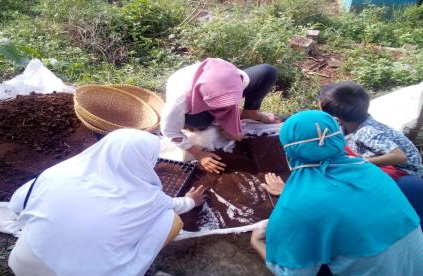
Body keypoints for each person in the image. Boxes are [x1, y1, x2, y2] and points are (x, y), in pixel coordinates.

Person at [7, 129, 206, 276]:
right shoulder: (148, 198)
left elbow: (16, 204)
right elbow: (173, 205)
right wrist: (190, 201)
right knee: (169, 219)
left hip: (24, 265)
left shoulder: (57, 173)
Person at [251, 110, 423, 275]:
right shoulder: (369, 169)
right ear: (339, 139)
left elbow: (293, 273)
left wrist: (257, 242)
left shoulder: (297, 206)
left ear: (288, 154)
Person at [161, 58, 279, 174]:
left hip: (217, 91)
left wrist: (226, 126)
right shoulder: (179, 101)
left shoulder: (236, 78)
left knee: (267, 72)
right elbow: (169, 131)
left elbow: (230, 104)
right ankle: (200, 121)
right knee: (200, 122)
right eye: (219, 105)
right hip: (193, 108)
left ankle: (250, 113)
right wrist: (199, 154)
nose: (225, 109)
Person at [318, 81, 423, 179]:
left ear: (336, 119)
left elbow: (399, 157)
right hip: (381, 159)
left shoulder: (367, 132)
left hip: (405, 171)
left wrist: (361, 162)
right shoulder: (348, 125)